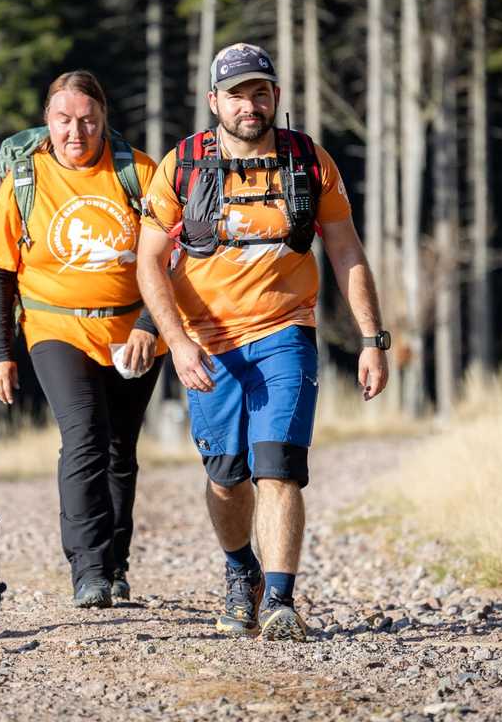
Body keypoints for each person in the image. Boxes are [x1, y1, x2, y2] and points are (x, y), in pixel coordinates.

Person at [136, 43, 390, 641]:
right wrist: (176, 341)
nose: (251, 106)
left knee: (278, 468)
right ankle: (239, 570)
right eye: (238, 94)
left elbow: (346, 250)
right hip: (208, 343)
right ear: (213, 102)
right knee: (227, 478)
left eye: (261, 92)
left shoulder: (308, 161)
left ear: (275, 97)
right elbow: (149, 262)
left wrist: (373, 339)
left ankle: (279, 599)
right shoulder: (183, 166)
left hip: (286, 333)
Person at [0, 70, 166, 609]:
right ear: (48, 121)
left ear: (103, 119)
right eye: (64, 120)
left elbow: (172, 261)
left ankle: (116, 564)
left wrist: (149, 328)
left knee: (120, 452)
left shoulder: (140, 173)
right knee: (84, 438)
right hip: (55, 327)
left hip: (133, 329)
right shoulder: (27, 177)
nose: (76, 131)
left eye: (87, 120)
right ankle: (87, 568)